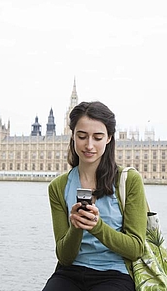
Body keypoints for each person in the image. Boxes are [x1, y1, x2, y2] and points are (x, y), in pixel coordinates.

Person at [42, 101, 148, 291]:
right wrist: (76, 225)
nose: (89, 145)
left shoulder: (128, 180)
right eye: (82, 136)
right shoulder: (58, 187)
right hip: (70, 272)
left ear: (109, 138)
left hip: (115, 274)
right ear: (72, 136)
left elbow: (136, 249)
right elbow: (64, 256)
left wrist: (97, 227)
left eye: (97, 137)